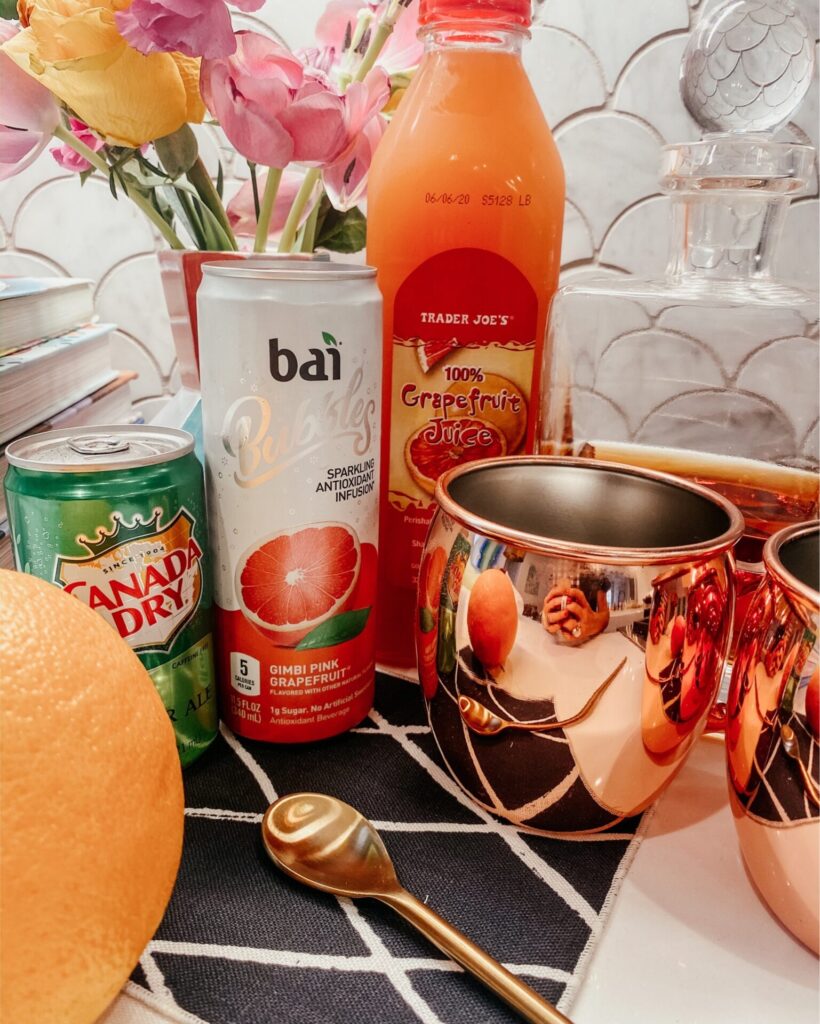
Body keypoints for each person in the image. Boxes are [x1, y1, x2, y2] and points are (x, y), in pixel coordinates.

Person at [542, 577, 610, 646]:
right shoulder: (554, 574)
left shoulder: (598, 579)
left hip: (589, 646)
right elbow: (545, 608)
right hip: (553, 645)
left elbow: (605, 617)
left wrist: (594, 623)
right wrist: (546, 617)